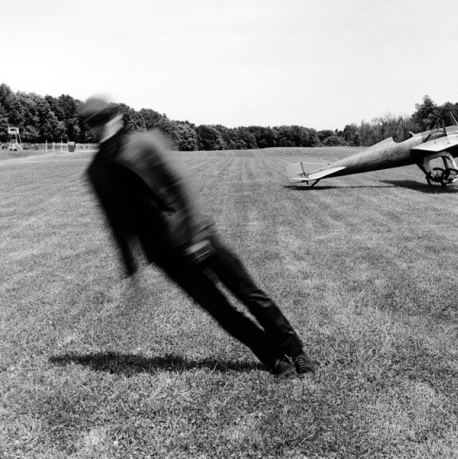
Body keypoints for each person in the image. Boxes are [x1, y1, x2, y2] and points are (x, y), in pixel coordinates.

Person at [81, 96, 315, 378]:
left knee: (249, 293)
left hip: (197, 234)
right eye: (93, 123)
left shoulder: (144, 144)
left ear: (117, 118)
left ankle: (296, 351)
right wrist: (131, 270)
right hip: (164, 253)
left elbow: (179, 185)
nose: (100, 128)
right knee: (221, 310)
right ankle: (273, 357)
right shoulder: (96, 171)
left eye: (104, 119)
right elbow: (116, 223)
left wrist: (197, 237)